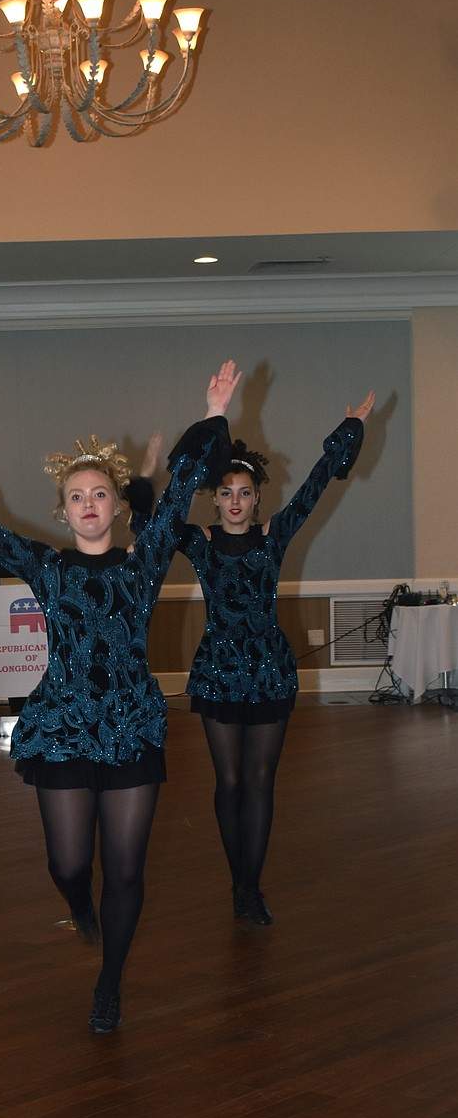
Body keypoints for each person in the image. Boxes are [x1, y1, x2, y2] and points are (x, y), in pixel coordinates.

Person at [0, 362, 240, 1034]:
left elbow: (187, 482)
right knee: (68, 863)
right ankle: (79, 904)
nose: (91, 502)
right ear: (64, 510)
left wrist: (214, 410)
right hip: (64, 724)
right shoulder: (47, 564)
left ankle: (110, 984)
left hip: (131, 724)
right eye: (78, 496)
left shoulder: (146, 557)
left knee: (126, 869)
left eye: (101, 492)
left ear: (116, 504)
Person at [173, 390, 376, 926]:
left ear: (257, 496)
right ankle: (236, 875)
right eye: (226, 492)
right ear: (214, 499)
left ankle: (248, 888)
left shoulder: (274, 536)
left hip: (268, 671)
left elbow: (314, 488)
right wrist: (204, 426)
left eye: (244, 492)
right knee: (230, 783)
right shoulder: (199, 542)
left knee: (260, 781)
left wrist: (348, 429)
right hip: (217, 671)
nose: (235, 500)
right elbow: (160, 513)